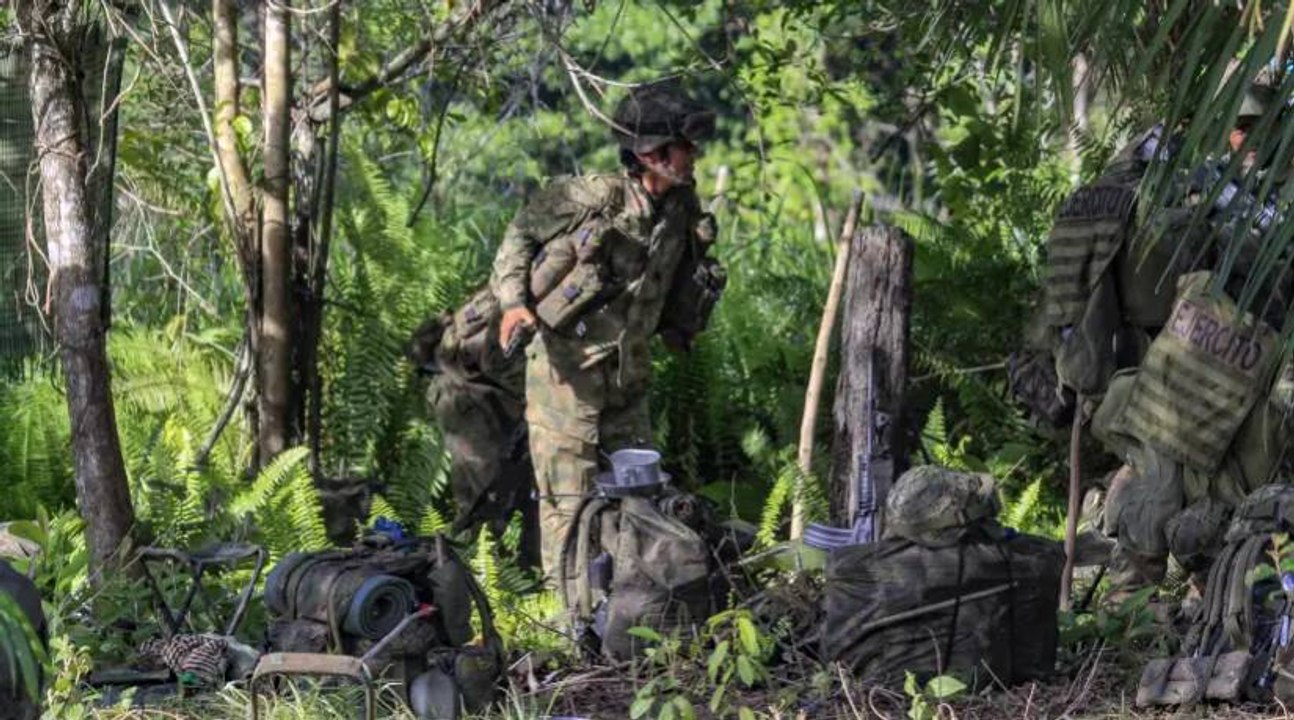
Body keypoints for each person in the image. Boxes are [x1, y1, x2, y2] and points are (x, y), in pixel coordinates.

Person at [488, 81, 719, 581]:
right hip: (566, 380)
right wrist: (513, 304)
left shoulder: (681, 207)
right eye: (685, 146)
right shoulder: (592, 198)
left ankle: (628, 606)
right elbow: (519, 235)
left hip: (627, 381)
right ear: (652, 154)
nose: (694, 155)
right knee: (568, 507)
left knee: (641, 500)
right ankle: (566, 613)